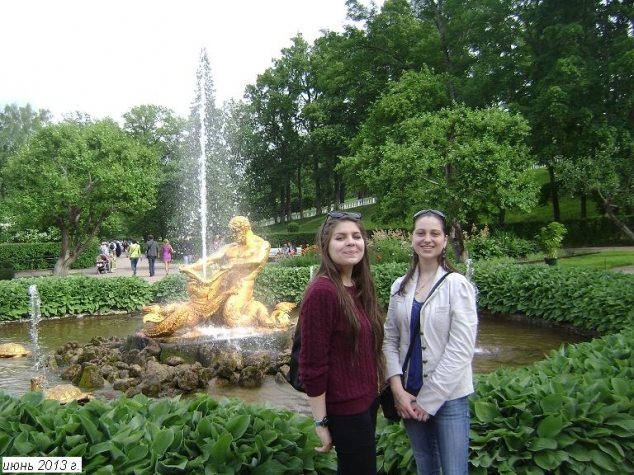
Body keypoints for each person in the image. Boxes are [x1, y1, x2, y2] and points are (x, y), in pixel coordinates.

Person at [382, 209, 478, 475]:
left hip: (449, 397)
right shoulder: (399, 286)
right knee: (426, 468)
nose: (427, 239)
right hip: (409, 395)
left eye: (435, 233)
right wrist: (398, 390)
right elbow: (390, 340)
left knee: (455, 470)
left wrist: (429, 399)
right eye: (420, 233)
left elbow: (461, 349)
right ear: (412, 238)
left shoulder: (457, 285)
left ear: (445, 240)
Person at [298, 211, 385, 475]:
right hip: (346, 410)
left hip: (366, 402)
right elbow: (312, 364)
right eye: (340, 237)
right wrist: (320, 422)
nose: (350, 242)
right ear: (326, 246)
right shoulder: (323, 292)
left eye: (356, 236)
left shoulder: (357, 286)